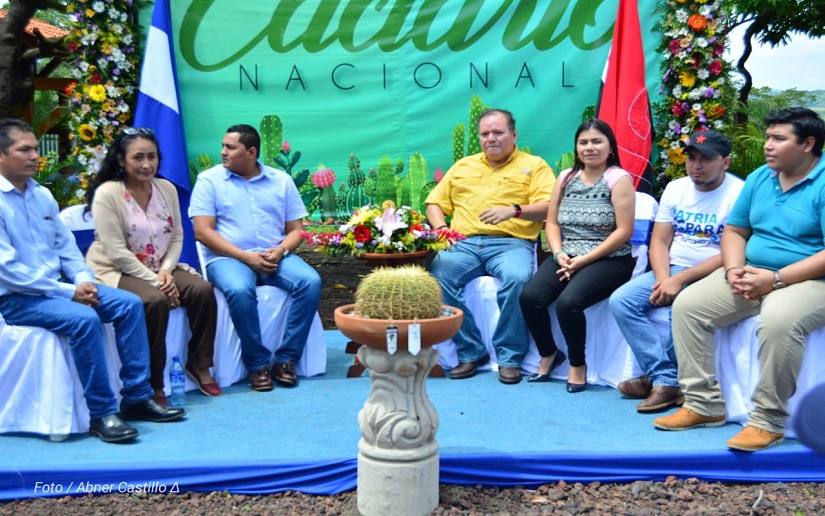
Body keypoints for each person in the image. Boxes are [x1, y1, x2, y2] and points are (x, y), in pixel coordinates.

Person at [0, 119, 184, 443]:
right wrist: (69, 291)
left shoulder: (41, 195)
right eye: (24, 150)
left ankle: (137, 397)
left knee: (130, 304)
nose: (35, 156)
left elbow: (67, 248)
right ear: (2, 155)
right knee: (85, 320)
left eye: (35, 149)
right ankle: (102, 413)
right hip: (18, 298)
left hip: (59, 288)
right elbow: (8, 270)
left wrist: (84, 280)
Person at [654, 107, 825, 452]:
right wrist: (733, 270)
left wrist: (776, 278)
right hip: (752, 271)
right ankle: (703, 405)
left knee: (779, 320)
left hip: (810, 279)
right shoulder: (762, 176)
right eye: (768, 137)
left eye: (778, 138)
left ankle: (767, 421)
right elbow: (735, 230)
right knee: (688, 306)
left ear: (808, 144)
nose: (767, 145)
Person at [609, 130, 743, 412]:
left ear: (726, 162)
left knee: (679, 310)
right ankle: (665, 377)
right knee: (621, 301)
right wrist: (664, 279)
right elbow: (659, 241)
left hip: (712, 273)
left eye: (706, 159)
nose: (696, 165)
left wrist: (680, 280)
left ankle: (662, 381)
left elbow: (730, 253)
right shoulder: (676, 188)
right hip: (671, 268)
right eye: (691, 158)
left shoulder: (739, 194)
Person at [85, 128, 221, 406]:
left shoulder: (166, 188)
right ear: (121, 160)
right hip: (116, 269)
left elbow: (178, 235)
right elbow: (116, 252)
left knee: (203, 291)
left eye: (152, 157)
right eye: (138, 158)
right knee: (154, 301)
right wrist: (157, 281)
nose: (147, 164)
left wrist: (166, 271)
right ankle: (152, 383)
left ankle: (199, 363)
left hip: (161, 265)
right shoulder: (108, 194)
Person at [425, 108, 555, 384]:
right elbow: (435, 202)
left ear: (514, 134)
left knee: (518, 279)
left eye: (498, 132)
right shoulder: (464, 166)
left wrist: (514, 210)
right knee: (436, 278)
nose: (491, 138)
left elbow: (549, 207)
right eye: (485, 134)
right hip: (464, 243)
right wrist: (440, 228)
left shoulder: (534, 165)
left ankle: (510, 357)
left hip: (511, 243)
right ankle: (471, 351)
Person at [189, 124, 321, 391]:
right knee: (239, 289)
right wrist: (246, 258)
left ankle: (286, 359)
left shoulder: (281, 180)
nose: (223, 152)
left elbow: (297, 230)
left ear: (251, 152)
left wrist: (280, 250)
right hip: (227, 258)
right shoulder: (209, 180)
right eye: (223, 146)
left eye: (230, 147)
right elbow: (202, 232)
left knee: (310, 282)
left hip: (274, 256)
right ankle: (257, 365)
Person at [519, 118, 635, 393]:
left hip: (609, 258)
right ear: (576, 148)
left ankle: (577, 365)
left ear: (610, 148)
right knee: (530, 298)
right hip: (568, 255)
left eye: (597, 141)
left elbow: (624, 231)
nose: (589, 147)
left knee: (568, 303)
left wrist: (585, 260)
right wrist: (558, 253)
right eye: (583, 142)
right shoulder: (566, 177)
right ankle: (549, 353)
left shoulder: (618, 179)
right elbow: (551, 222)